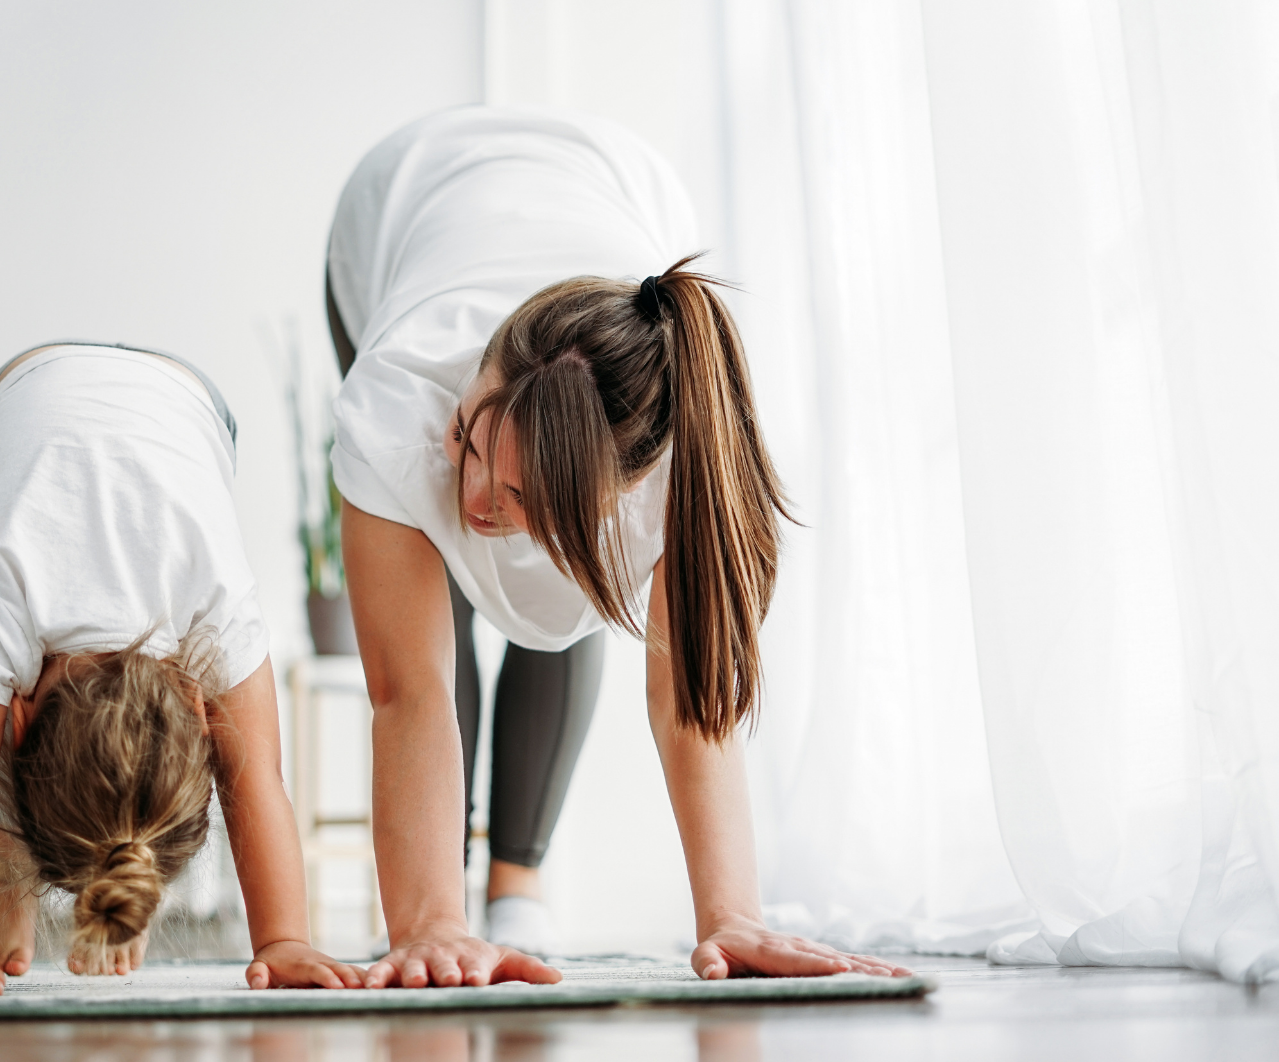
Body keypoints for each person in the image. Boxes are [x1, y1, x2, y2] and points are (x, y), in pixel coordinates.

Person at [325, 107, 913, 987]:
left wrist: (733, 917)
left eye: (521, 496)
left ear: (627, 487)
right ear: (480, 370)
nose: (477, 501)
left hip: (618, 187)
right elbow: (407, 692)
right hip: (394, 203)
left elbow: (688, 692)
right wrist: (427, 925)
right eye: (476, 438)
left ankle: (517, 892)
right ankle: (454, 899)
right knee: (428, 608)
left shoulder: (686, 465)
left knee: (567, 584)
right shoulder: (396, 404)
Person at [0, 341, 362, 997]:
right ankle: (14, 887)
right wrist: (283, 940)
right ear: (201, 710)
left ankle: (75, 871)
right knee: (7, 723)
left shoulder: (190, 607)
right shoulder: (199, 605)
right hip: (83, 392)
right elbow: (258, 782)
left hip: (147, 396)